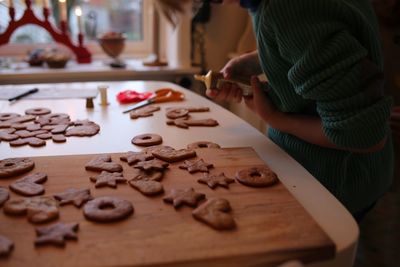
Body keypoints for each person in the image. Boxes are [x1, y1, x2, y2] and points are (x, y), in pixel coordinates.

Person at [159, 0, 395, 222]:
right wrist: (258, 60)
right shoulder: (272, 6)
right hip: (348, 175)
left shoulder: (285, 8)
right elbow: (317, 38)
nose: (218, 4)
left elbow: (364, 137)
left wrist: (275, 118)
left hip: (331, 186)